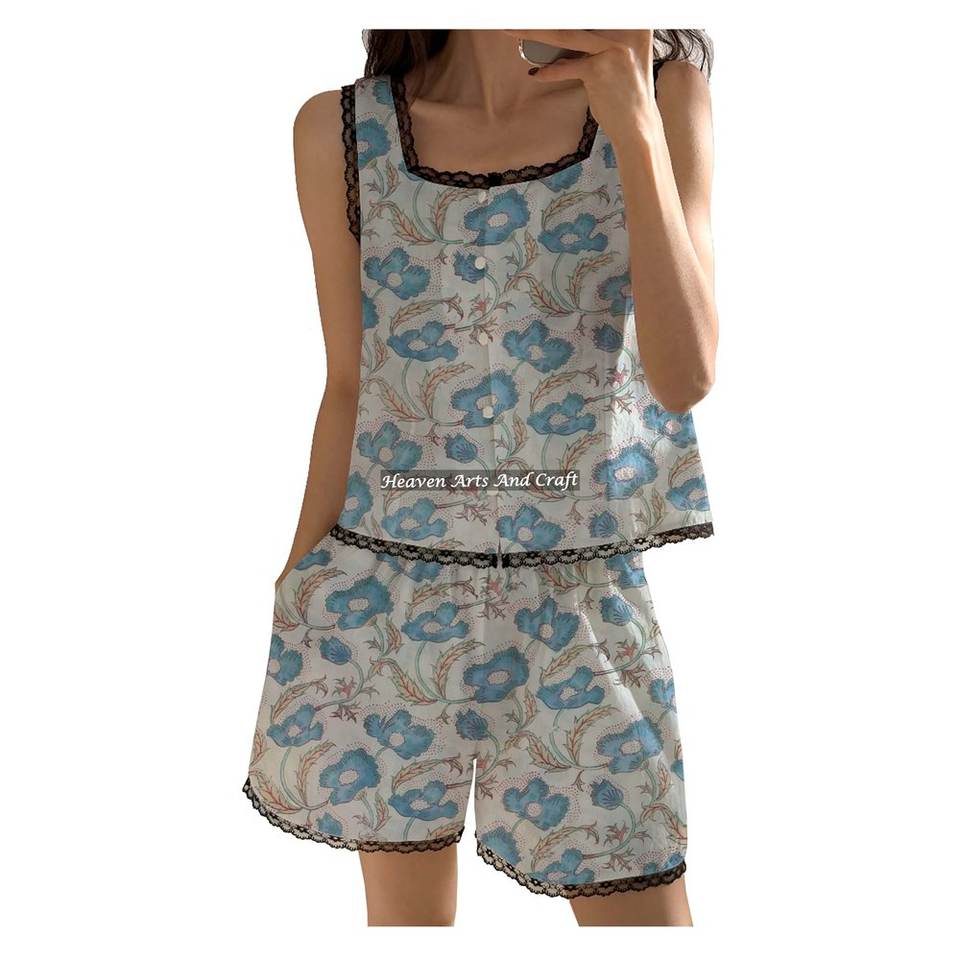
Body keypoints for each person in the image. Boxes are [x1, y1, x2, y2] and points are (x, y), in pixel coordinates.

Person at [242, 28, 718, 927]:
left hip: (578, 599)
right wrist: (299, 580)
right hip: (381, 592)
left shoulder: (664, 95)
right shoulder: (341, 131)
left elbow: (685, 375)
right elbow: (350, 384)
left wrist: (632, 124)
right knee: (408, 928)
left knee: (646, 913)